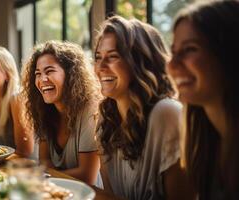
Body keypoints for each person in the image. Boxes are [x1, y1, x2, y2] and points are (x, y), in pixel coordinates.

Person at [94, 16, 193, 200]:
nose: (100, 66)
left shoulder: (167, 113)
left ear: (140, 62)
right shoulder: (105, 118)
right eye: (98, 57)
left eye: (113, 56)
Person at [167, 1, 239, 199]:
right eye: (173, 52)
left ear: (229, 54)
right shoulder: (206, 140)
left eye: (189, 49)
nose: (172, 64)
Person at [22, 41, 101, 186]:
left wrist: (40, 177)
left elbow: (87, 175)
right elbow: (44, 163)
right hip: (56, 191)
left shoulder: (90, 108)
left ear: (71, 74)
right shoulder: (43, 110)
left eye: (49, 71)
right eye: (38, 74)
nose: (42, 79)